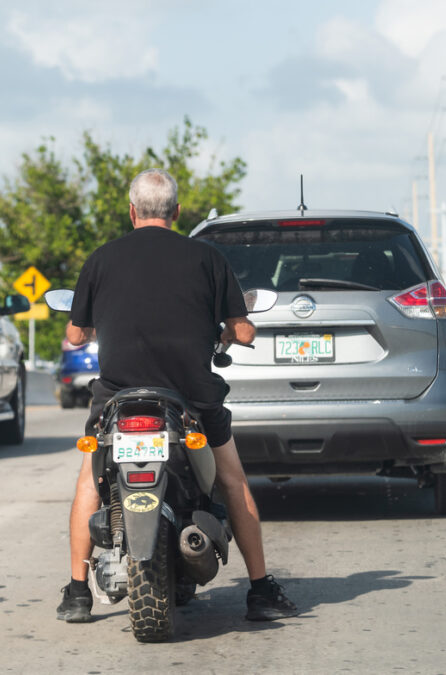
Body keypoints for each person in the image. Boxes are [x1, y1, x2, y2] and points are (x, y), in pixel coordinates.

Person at [56, 168, 299, 623]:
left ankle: (76, 593)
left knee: (89, 483)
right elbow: (244, 328)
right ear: (177, 212)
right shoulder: (206, 258)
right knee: (232, 481)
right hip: (190, 399)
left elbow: (74, 335)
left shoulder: (102, 259)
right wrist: (229, 330)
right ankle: (261, 590)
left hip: (117, 399)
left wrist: (94, 323)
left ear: (132, 211)